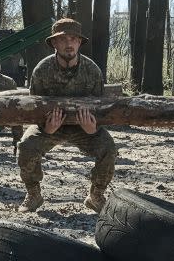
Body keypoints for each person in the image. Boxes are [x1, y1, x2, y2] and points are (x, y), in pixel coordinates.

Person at [17, 18, 116, 213]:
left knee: (109, 149)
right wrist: (46, 128)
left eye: (74, 39)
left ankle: (96, 196)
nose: (69, 43)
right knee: (26, 146)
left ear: (80, 42)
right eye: (63, 39)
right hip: (49, 126)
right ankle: (33, 194)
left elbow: (99, 107)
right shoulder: (41, 70)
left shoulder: (92, 70)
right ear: (54, 43)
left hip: (85, 127)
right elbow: (35, 107)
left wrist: (93, 129)